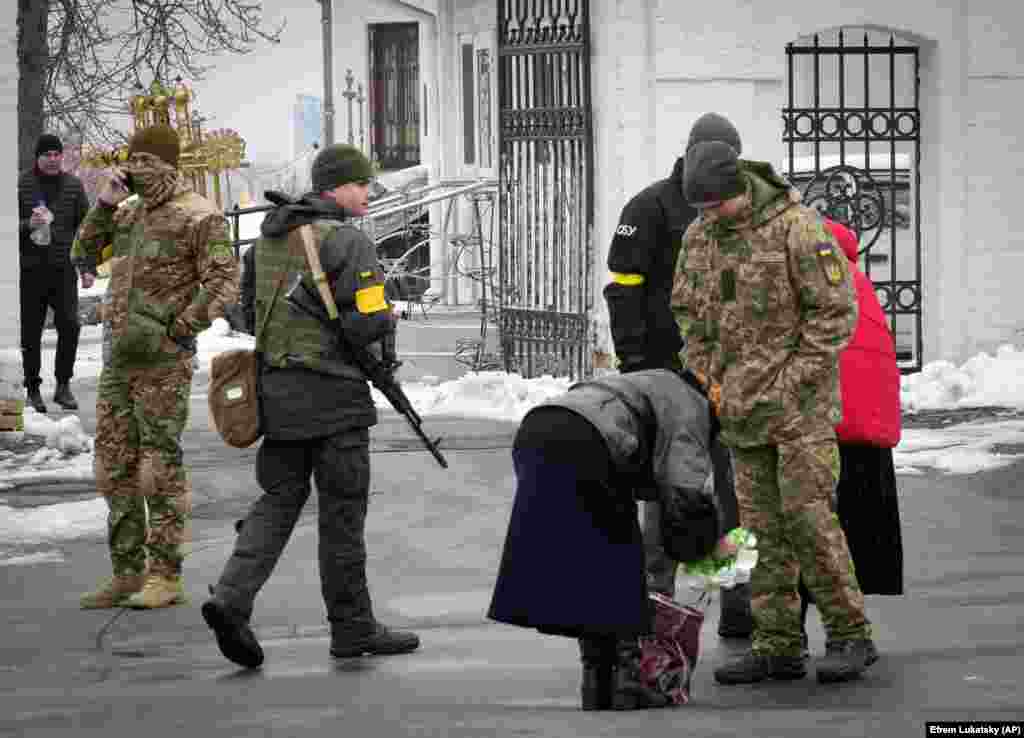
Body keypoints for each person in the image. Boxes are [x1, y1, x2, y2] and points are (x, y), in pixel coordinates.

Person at [671, 123, 878, 685]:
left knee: (810, 522)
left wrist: (791, 383)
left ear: (740, 185)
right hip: (740, 411)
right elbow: (688, 314)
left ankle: (849, 633)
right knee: (759, 533)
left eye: (717, 203)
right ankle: (778, 643)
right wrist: (714, 376)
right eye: (701, 207)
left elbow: (835, 315)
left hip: (800, 412)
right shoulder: (699, 238)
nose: (709, 215)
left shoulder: (797, 228)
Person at [201, 144, 419, 669]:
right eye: (362, 184)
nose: (368, 193)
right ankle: (352, 627)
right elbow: (368, 322)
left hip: (277, 394)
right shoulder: (348, 241)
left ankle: (231, 598)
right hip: (336, 398)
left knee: (278, 500)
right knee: (342, 516)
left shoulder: (267, 241)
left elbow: (249, 315)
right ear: (336, 188)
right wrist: (383, 324)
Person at [72, 124, 240, 610]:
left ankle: (164, 575)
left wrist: (181, 328)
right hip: (119, 361)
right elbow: (82, 251)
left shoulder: (199, 216)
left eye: (147, 165)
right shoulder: (127, 213)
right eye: (132, 164)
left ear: (168, 165)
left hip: (164, 362)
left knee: (157, 468)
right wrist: (104, 203)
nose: (137, 174)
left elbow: (224, 281)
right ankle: (126, 573)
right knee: (113, 468)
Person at [488, 368, 723, 711]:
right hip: (589, 440)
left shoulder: (649, 381)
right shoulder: (691, 405)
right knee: (621, 558)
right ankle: (627, 679)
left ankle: (596, 681)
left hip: (536, 431)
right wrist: (698, 541)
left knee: (592, 562)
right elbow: (686, 490)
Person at [604, 112, 753, 640]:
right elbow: (623, 291)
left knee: (734, 497)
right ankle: (655, 598)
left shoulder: (745, 209)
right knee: (668, 491)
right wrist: (637, 366)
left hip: (732, 379)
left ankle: (736, 604)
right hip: (667, 376)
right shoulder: (649, 207)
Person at [797, 219, 904, 645]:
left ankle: (826, 633)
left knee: (811, 532)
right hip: (869, 434)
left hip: (827, 426)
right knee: (854, 533)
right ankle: (846, 632)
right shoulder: (858, 282)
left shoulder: (810, 283)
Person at [17, 133, 91, 413]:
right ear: (37, 157)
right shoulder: (23, 184)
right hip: (30, 270)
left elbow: (86, 230)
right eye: (47, 154)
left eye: (56, 154)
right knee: (30, 332)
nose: (52, 159)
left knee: (70, 325)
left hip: (63, 269)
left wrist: (86, 268)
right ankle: (33, 389)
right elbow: (6, 225)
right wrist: (28, 224)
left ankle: (63, 386)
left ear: (62, 156)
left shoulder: (72, 186)